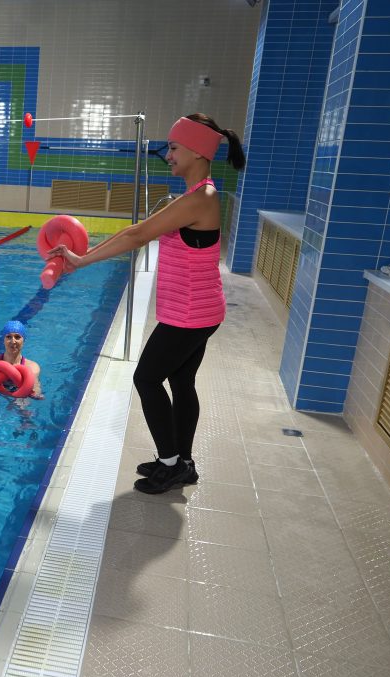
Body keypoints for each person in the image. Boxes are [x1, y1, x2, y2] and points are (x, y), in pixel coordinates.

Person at [46, 113, 246, 494]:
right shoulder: (195, 196)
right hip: (199, 310)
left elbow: (137, 234)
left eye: (173, 147)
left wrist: (81, 260)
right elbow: (146, 231)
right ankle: (182, 462)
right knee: (181, 380)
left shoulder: (201, 198)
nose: (166, 155)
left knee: (147, 378)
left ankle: (170, 463)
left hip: (189, 314)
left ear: (197, 151)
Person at [0, 320, 43, 399]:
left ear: (23, 340)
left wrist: (36, 394)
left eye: (17, 337)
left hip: (19, 393)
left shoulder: (32, 366)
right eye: (8, 337)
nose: (13, 341)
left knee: (22, 405)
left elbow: (35, 386)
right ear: (3, 340)